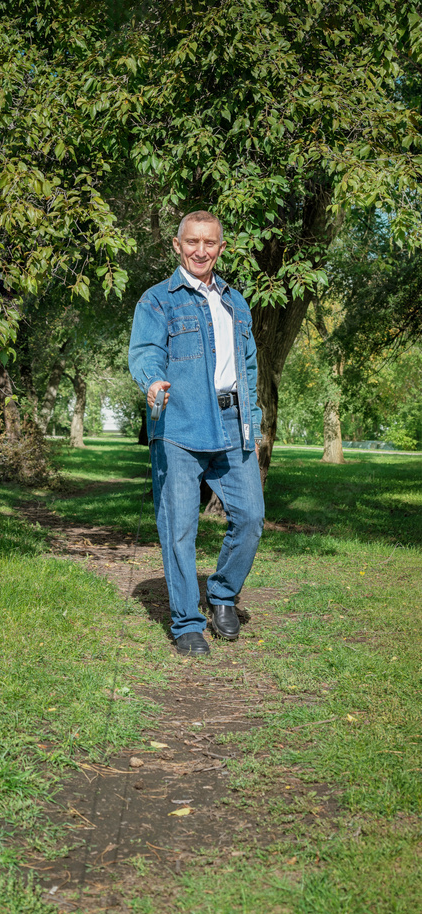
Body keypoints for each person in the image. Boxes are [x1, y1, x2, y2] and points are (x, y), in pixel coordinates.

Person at [128, 210, 264, 656]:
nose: (200, 251)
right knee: (179, 527)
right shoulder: (156, 301)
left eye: (210, 243)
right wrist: (152, 380)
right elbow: (146, 352)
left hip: (232, 423)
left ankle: (222, 594)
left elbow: (247, 367)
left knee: (250, 518)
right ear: (176, 244)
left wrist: (253, 419)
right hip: (179, 423)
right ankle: (187, 622)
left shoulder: (236, 302)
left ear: (221, 248)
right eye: (192, 242)